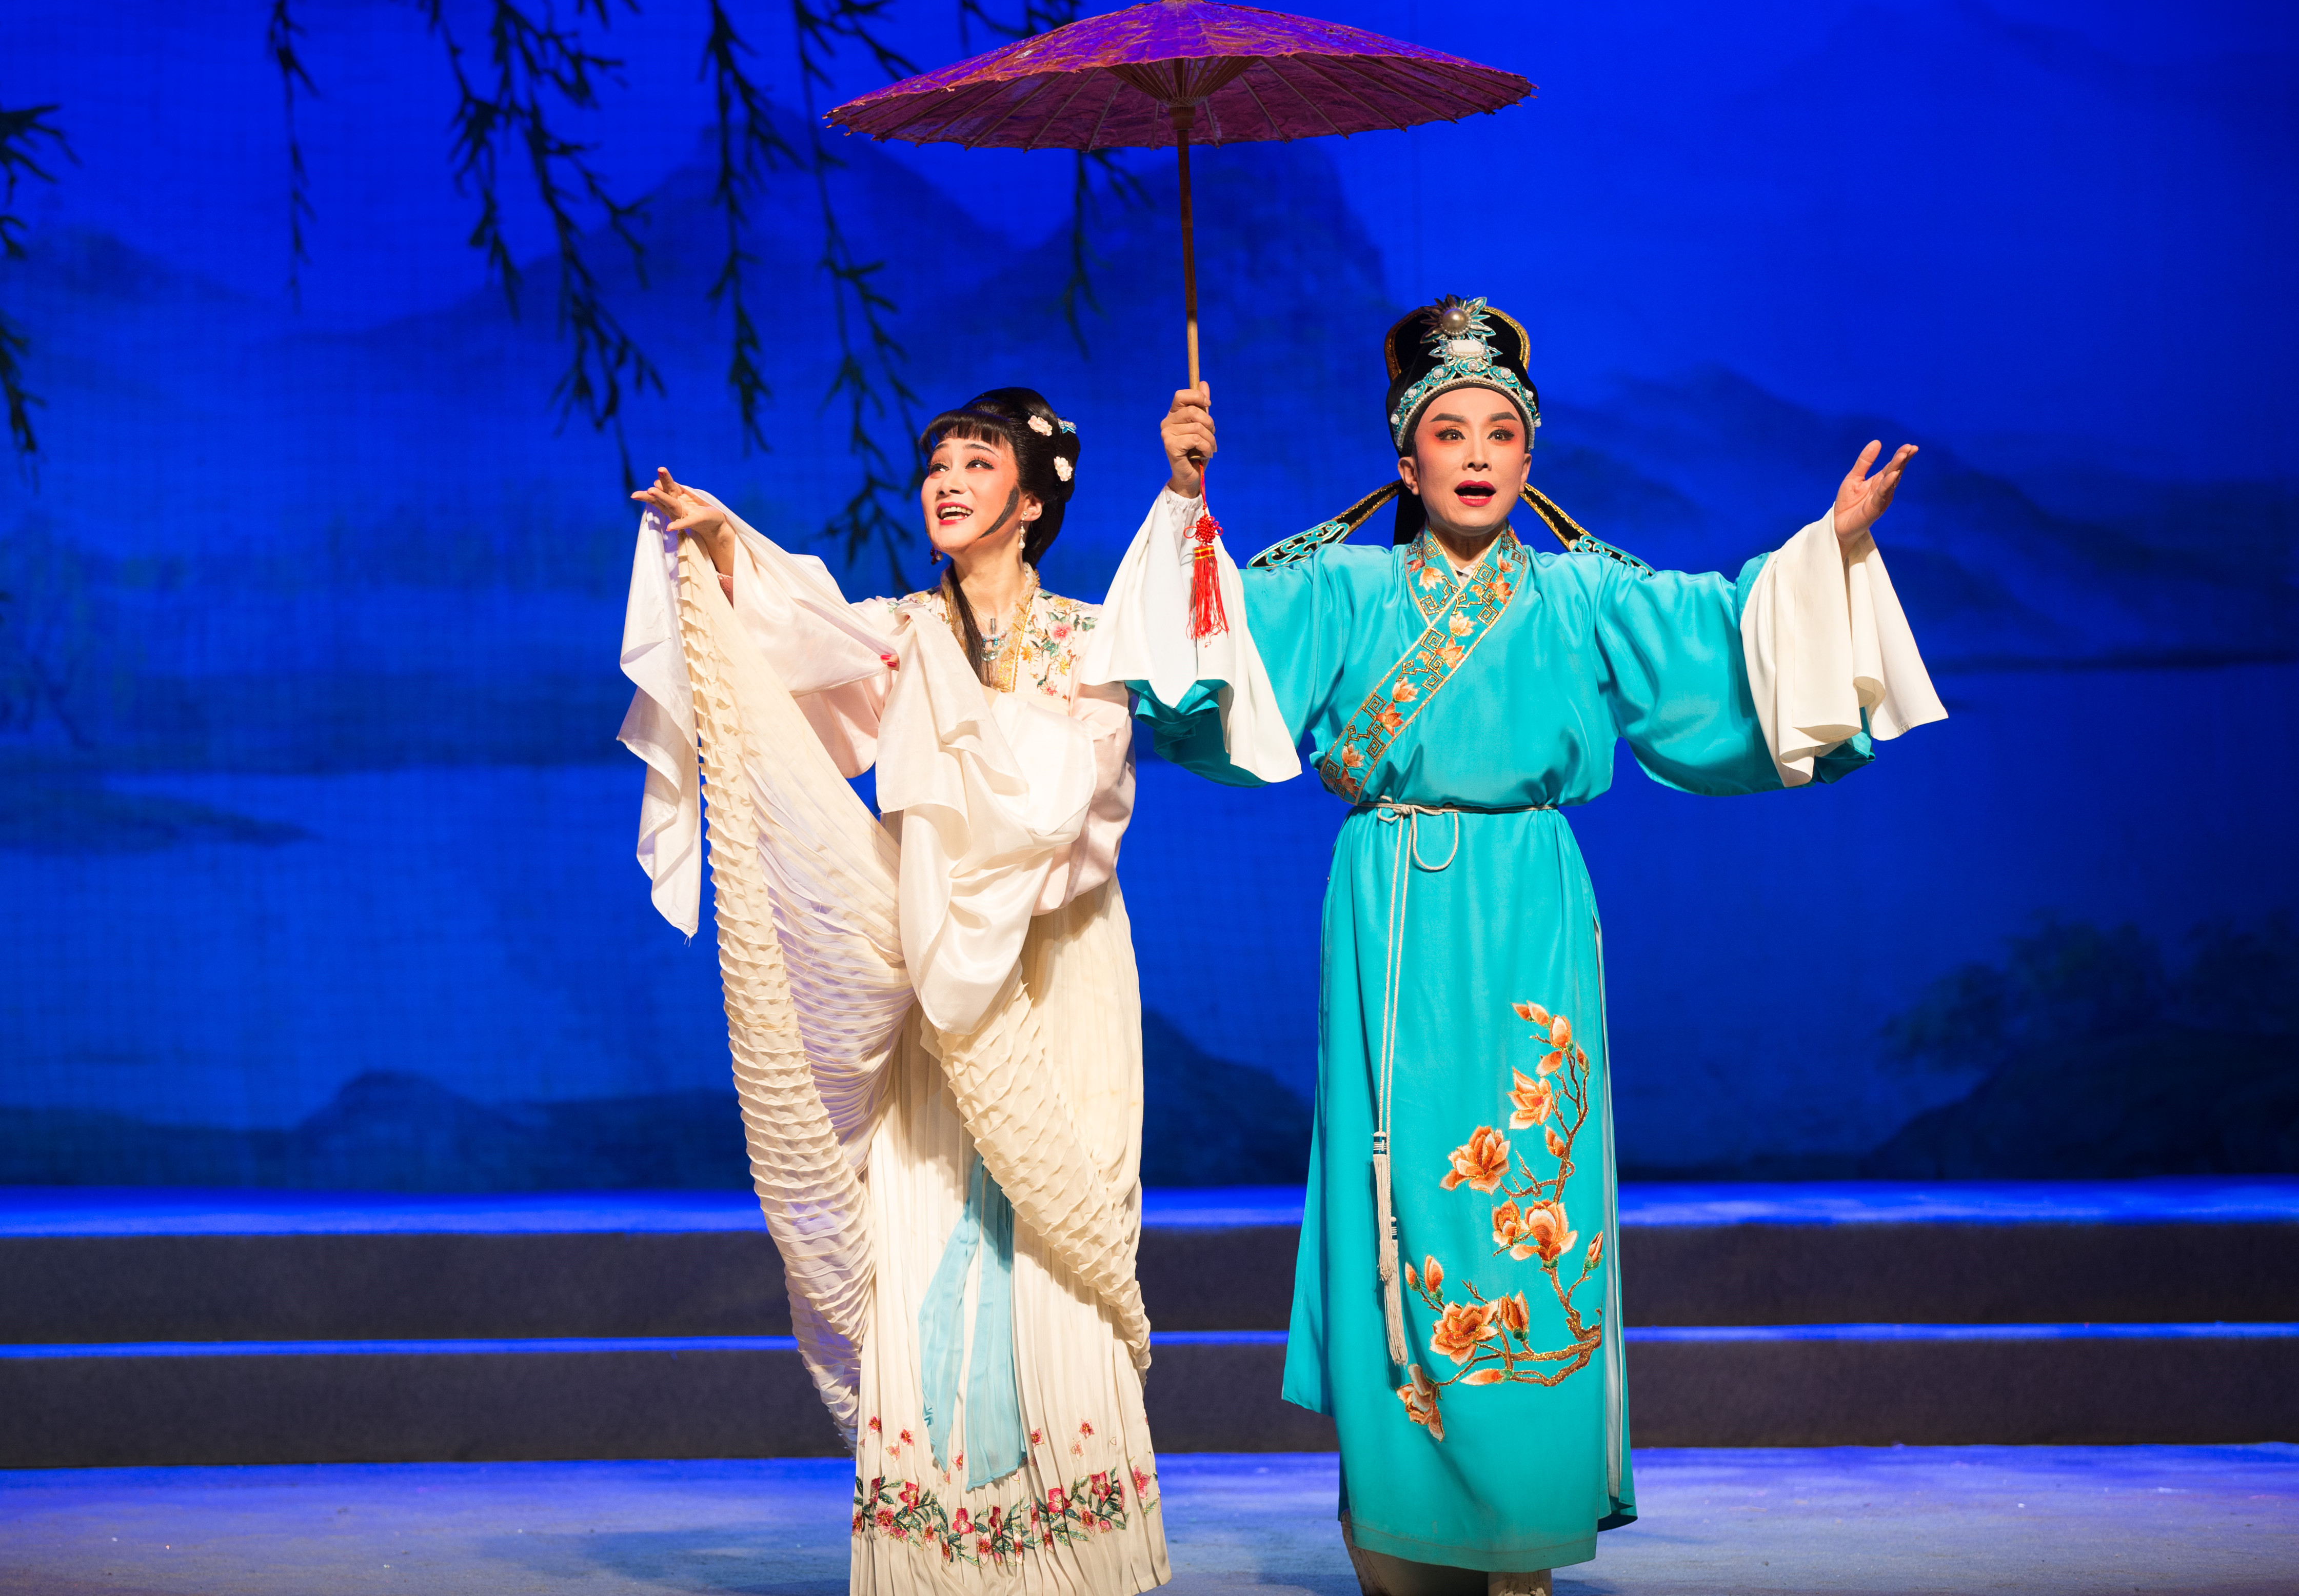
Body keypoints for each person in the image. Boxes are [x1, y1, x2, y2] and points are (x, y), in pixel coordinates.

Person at [1081, 297, 1946, 1595]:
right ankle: (1404, 1519)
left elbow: (1719, 640)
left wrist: (1832, 550)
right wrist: (1186, 498)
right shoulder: (1344, 587)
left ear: (1530, 456)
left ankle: (1523, 1526)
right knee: (1404, 1194)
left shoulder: (1581, 593)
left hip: (1532, 908)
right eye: (1450, 432)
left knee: (1531, 1195)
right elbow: (1208, 665)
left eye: (1500, 431)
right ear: (1407, 458)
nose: (1477, 454)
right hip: (1393, 907)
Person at [619, 388, 1169, 1593]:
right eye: (937, 464)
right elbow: (792, 645)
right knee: (930, 1222)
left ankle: (1075, 1547)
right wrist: (721, 551)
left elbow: (1069, 805)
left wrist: (957, 744)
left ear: (1034, 501)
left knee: (1060, 1232)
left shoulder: (1088, 643)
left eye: (979, 463)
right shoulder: (904, 633)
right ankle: (944, 1553)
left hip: (1056, 963)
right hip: (939, 970)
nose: (948, 482)